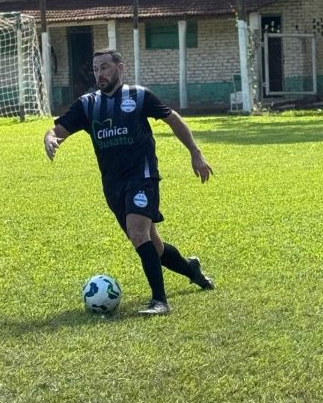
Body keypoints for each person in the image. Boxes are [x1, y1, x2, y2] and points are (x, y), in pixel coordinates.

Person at [44, 48, 214, 316]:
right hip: (113, 185)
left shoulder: (139, 96)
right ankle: (190, 269)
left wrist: (195, 153)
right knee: (153, 246)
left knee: (138, 233)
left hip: (142, 175)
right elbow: (57, 129)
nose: (99, 73)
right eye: (96, 68)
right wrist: (50, 139)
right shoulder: (88, 105)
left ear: (119, 68)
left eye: (104, 67)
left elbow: (173, 119)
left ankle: (160, 301)